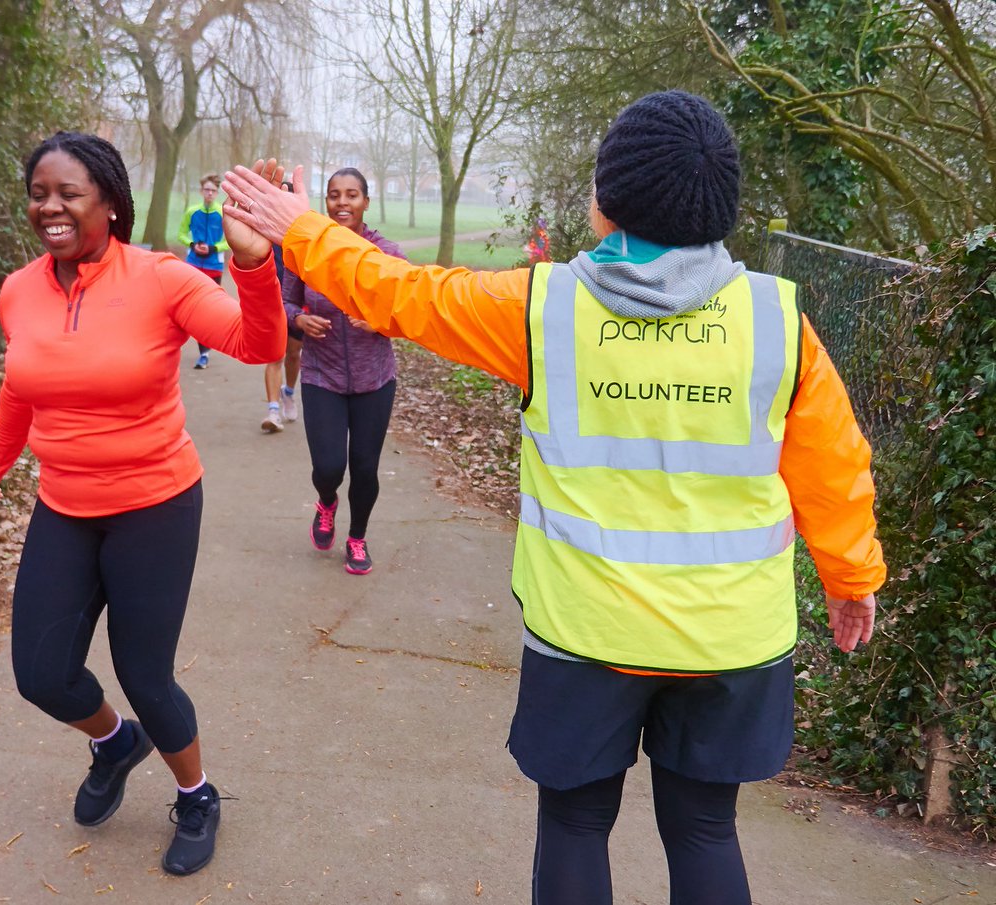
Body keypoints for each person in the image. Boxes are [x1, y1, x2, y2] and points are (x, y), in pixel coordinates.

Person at [222, 91, 886, 904]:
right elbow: (835, 468)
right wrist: (852, 580)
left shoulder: (543, 309)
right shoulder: (778, 322)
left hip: (585, 633)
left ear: (607, 203)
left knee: (575, 828)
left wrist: (300, 228)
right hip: (732, 643)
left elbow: (396, 292)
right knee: (707, 831)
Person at [0, 133, 286, 877]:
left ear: (110, 202)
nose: (51, 206)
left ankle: (197, 794)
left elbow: (255, 340)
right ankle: (114, 741)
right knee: (41, 674)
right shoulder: (19, 289)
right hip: (64, 504)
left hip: (155, 504)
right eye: (40, 192)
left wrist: (250, 261)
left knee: (146, 673)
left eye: (69, 193)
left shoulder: (161, 279)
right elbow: (20, 388)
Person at [281, 167, 406, 574]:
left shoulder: (385, 253)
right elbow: (281, 304)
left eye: (352, 195)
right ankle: (327, 501)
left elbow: (409, 304)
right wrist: (298, 319)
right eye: (334, 195)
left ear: (365, 203)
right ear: (326, 201)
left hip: (375, 379)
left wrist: (381, 321)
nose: (342, 203)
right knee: (329, 466)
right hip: (322, 375)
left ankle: (357, 538)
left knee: (366, 468)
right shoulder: (306, 251)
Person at [261, 182, 303, 433]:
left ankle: (288, 392)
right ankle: (273, 411)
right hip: (272, 302)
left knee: (293, 354)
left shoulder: (304, 233)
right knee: (274, 355)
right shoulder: (266, 232)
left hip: (297, 305)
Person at [179, 173, 231, 369]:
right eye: (207, 190)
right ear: (202, 191)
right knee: (190, 307)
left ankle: (204, 352)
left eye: (213, 191)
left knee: (207, 308)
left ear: (217, 193)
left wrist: (213, 248)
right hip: (193, 264)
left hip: (213, 267)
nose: (209, 193)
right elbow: (181, 234)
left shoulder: (222, 213)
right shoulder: (192, 212)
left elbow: (228, 241)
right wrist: (192, 244)